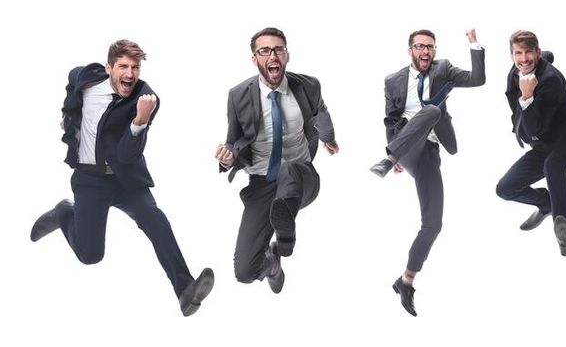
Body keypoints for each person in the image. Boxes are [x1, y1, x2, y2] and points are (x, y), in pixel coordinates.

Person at [31, 39, 215, 316]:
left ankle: (185, 290)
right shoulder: (86, 76)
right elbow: (72, 83)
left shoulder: (146, 99)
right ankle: (63, 212)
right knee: (90, 255)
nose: (130, 74)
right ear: (108, 68)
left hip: (126, 178)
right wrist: (70, 119)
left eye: (135, 67)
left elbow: (127, 154)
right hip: (90, 180)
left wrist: (139, 121)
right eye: (123, 67)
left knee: (155, 220)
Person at [370, 28, 487, 316]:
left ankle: (406, 280)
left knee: (433, 224)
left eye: (430, 47)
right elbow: (390, 119)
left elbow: (477, 79)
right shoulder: (393, 80)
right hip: (406, 148)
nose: (426, 51)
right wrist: (393, 152)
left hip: (430, 151)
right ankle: (388, 159)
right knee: (432, 111)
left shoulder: (443, 68)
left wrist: (474, 43)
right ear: (410, 50)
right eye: (420, 46)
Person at [215, 27, 340, 294]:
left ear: (287, 55)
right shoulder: (238, 95)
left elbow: (322, 113)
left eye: (279, 49)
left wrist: (329, 137)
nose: (273, 55)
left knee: (289, 168)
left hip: (301, 177)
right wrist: (226, 159)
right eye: (265, 50)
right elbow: (233, 140)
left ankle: (285, 235)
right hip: (261, 183)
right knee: (244, 272)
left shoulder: (308, 86)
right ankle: (273, 264)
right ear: (255, 59)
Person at [497, 30, 566, 256]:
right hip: (543, 143)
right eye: (518, 53)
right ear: (512, 55)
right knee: (505, 188)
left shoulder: (551, 81)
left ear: (536, 52)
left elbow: (536, 126)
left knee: (552, 166)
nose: (524, 58)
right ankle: (546, 204)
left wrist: (527, 97)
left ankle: (562, 225)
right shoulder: (516, 71)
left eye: (529, 52)